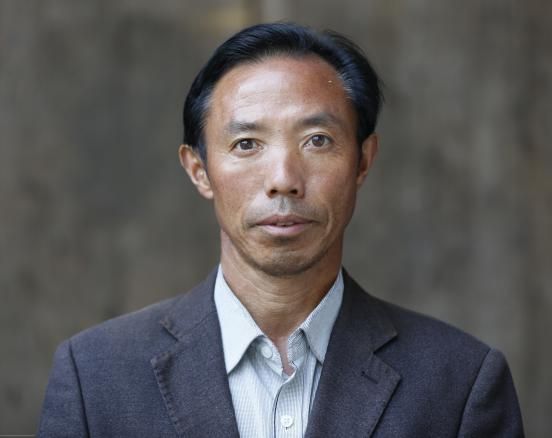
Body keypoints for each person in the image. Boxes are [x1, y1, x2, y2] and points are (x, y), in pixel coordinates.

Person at [38, 22, 524, 437]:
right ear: (199, 170)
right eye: (247, 144)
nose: (284, 180)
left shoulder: (459, 383)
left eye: (317, 140)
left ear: (363, 161)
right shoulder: (95, 378)